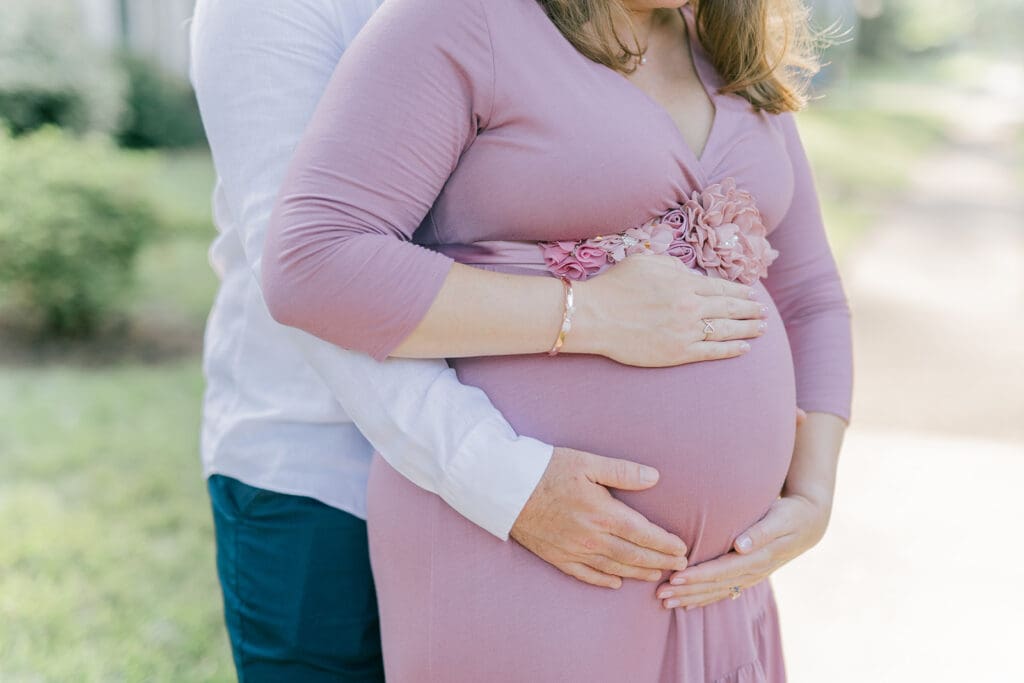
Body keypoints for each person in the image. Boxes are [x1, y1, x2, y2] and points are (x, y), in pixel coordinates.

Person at [263, 0, 852, 680]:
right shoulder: (457, 21)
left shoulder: (727, 48)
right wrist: (589, 314)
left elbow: (811, 294)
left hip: (723, 585)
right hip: (521, 552)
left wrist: (813, 493)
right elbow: (314, 262)